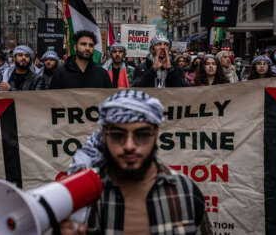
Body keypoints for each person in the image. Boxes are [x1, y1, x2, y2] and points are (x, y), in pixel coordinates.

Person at [63, 90, 211, 234]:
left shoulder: (185, 192)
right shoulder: (84, 193)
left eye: (142, 134)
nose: (129, 146)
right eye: (117, 135)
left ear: (156, 133)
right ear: (104, 135)